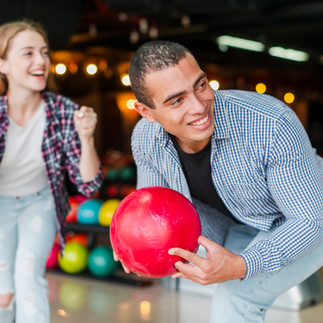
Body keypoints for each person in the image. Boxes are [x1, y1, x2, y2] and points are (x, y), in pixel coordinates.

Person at [125, 40, 323, 322]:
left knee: (235, 298)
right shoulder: (146, 138)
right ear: (147, 112)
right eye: (177, 100)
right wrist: (132, 245)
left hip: (310, 214)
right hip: (240, 223)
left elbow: (309, 222)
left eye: (201, 85)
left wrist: (243, 264)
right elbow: (153, 212)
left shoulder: (271, 123)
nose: (198, 106)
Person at [0, 20, 103, 323]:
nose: (41, 61)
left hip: (40, 201)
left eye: (44, 52)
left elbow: (87, 185)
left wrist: (86, 139)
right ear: (3, 64)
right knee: (3, 292)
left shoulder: (64, 112)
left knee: (28, 276)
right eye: (28, 53)